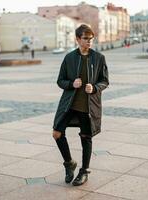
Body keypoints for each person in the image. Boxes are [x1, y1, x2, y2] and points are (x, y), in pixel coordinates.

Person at [52, 24, 109, 186]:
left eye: (91, 39)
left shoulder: (99, 58)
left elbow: (105, 81)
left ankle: (84, 171)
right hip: (69, 104)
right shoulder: (69, 58)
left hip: (88, 105)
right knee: (57, 133)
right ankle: (69, 163)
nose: (89, 42)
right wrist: (71, 84)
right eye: (85, 39)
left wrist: (95, 87)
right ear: (77, 39)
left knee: (86, 137)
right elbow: (60, 81)